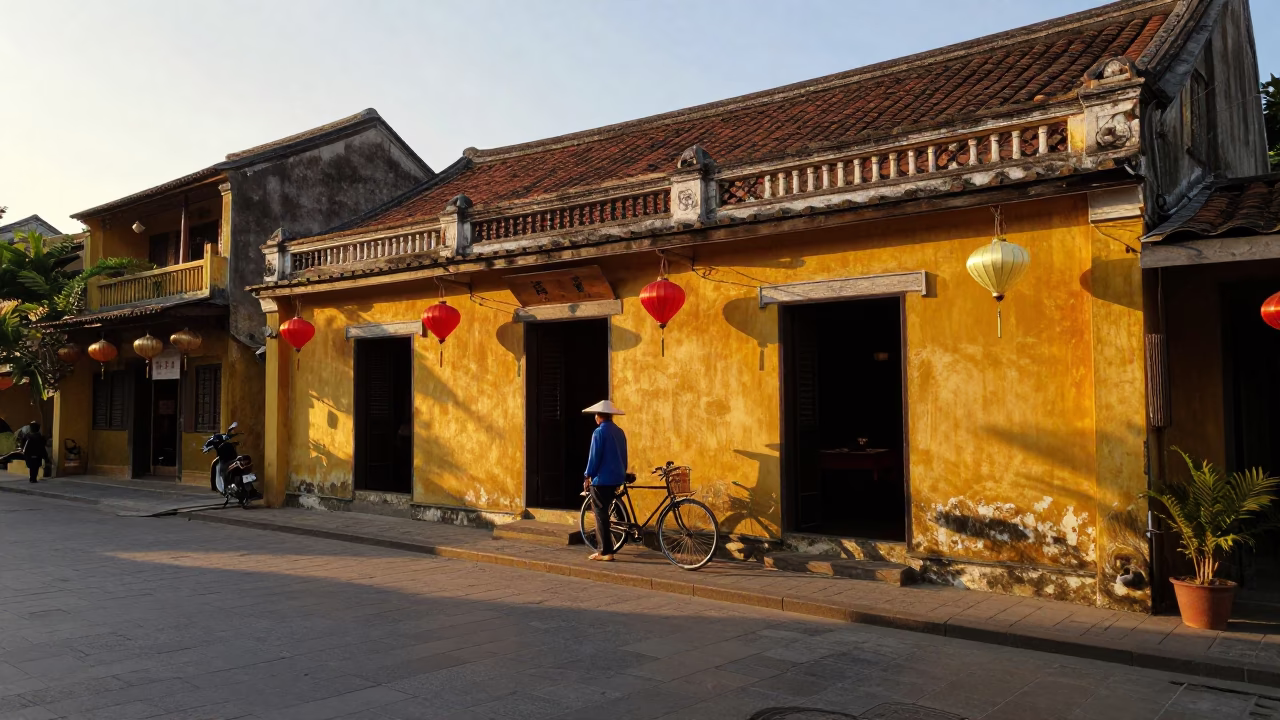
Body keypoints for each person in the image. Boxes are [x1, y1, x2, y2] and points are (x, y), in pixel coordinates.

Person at [582, 400, 628, 561]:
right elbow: (624, 456)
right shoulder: (620, 432)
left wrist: (588, 475)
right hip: (617, 477)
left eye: (596, 414)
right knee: (609, 507)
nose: (595, 417)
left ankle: (605, 551)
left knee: (600, 514)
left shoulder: (598, 433)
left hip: (602, 480)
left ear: (599, 416)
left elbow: (594, 458)